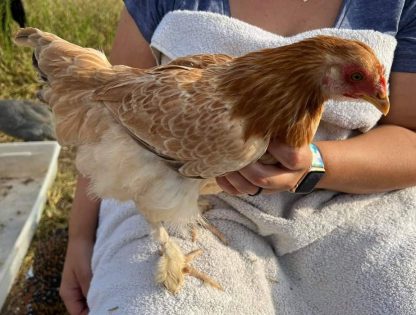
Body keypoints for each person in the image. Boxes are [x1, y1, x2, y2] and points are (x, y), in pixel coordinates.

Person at [59, 1, 416, 314]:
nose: (372, 96)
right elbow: (105, 107)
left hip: (341, 204)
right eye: (355, 78)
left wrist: (313, 163)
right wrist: (79, 238)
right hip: (167, 188)